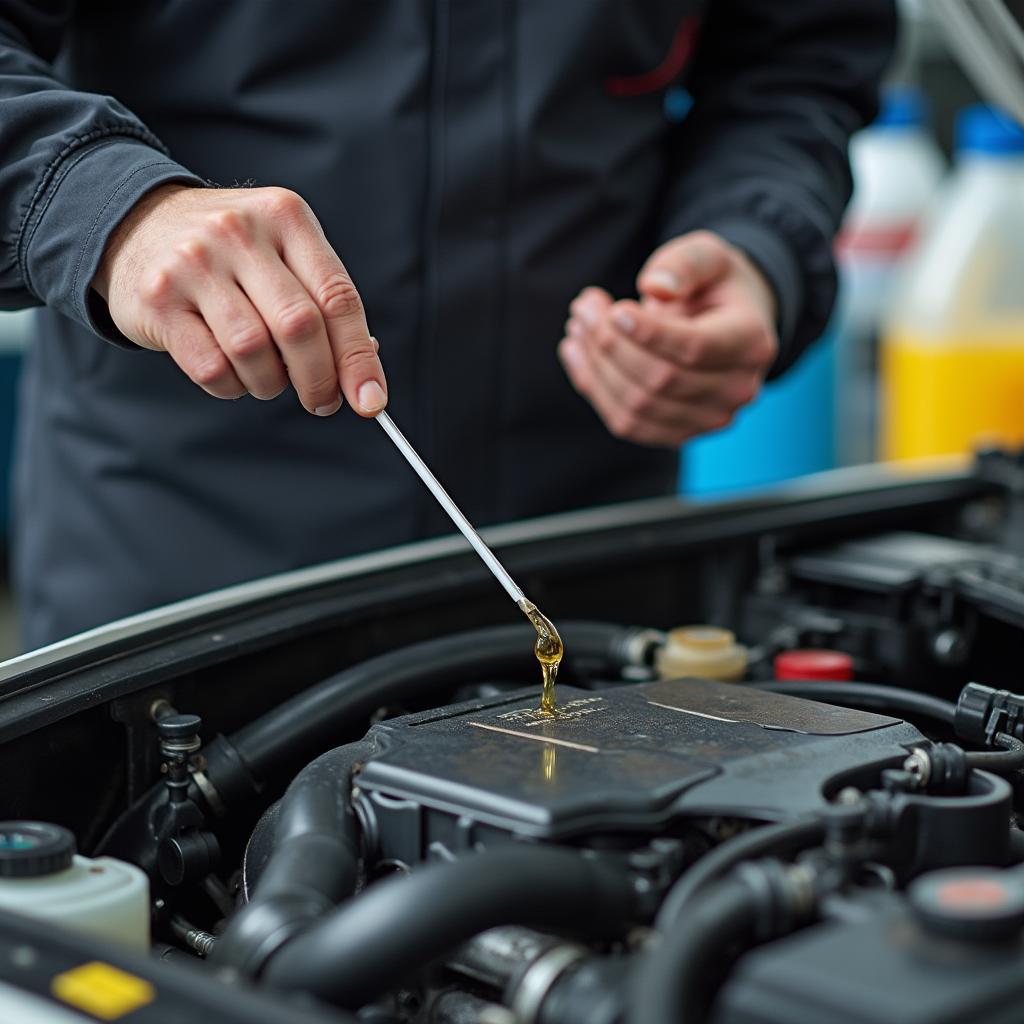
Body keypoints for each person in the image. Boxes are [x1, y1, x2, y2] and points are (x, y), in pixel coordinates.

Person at [0, 2, 896, 649]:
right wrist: (111, 206)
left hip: (591, 555)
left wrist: (752, 240)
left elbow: (797, 59)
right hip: (181, 582)